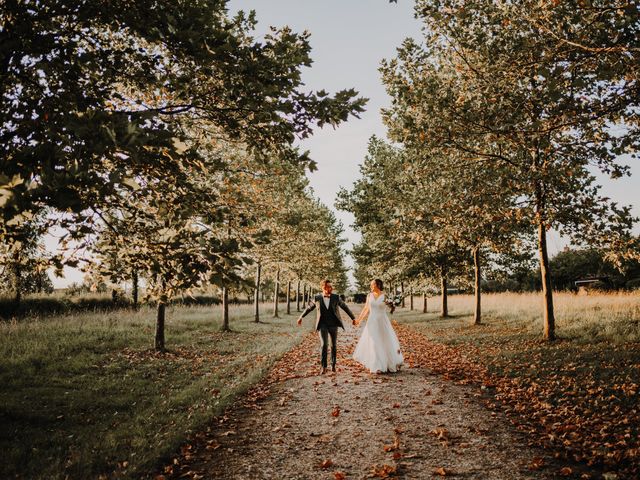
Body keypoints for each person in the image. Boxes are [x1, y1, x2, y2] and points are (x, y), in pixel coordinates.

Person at [297, 279, 356, 374]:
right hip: (322, 324)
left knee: (334, 345)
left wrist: (353, 318)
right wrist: (301, 316)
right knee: (324, 345)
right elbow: (309, 308)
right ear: (323, 287)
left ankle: (333, 365)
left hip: (333, 324)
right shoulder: (316, 298)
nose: (331, 288)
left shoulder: (336, 297)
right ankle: (323, 366)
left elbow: (345, 307)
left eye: (331, 286)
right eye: (329, 286)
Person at [353, 278, 404, 374]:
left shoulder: (385, 296)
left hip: (382, 321)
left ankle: (389, 362)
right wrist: (358, 320)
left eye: (372, 284)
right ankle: (377, 366)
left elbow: (392, 307)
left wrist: (393, 305)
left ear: (378, 285)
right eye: (371, 284)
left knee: (385, 341)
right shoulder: (369, 295)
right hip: (372, 321)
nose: (371, 286)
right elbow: (366, 309)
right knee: (374, 342)